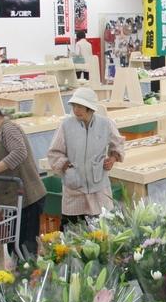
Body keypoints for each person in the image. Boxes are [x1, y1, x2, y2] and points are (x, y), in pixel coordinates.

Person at [0, 94, 46, 257]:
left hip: (26, 199)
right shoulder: (0, 134)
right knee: (16, 247)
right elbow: (9, 165)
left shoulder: (8, 129)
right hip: (16, 199)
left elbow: (19, 153)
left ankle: (28, 278)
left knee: (24, 249)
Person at [46, 87, 125, 229]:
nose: (76, 110)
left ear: (90, 108)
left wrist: (112, 159)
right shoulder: (66, 126)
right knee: (72, 234)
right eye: (74, 106)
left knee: (101, 233)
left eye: (80, 106)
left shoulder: (106, 124)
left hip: (99, 189)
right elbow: (54, 152)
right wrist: (66, 166)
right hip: (74, 190)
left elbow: (118, 144)